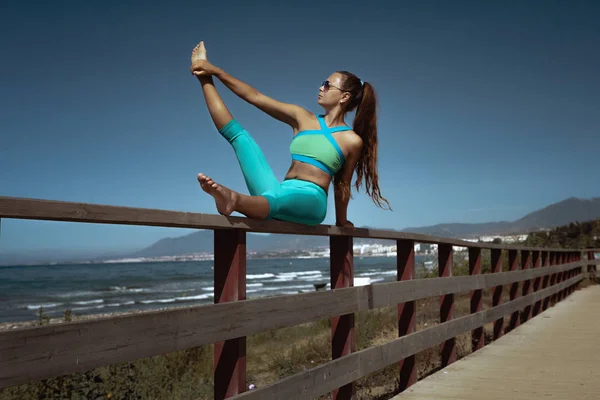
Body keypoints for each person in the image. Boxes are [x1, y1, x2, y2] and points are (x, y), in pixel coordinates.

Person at [190, 41, 391, 227]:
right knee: (240, 139)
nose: (321, 87)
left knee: (275, 200)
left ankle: (235, 200)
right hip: (278, 191)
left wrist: (342, 221)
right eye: (323, 82)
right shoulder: (301, 117)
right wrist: (213, 72)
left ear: (344, 97)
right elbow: (254, 96)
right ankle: (203, 77)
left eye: (328, 85)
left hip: (311, 201)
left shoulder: (351, 140)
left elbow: (342, 184)